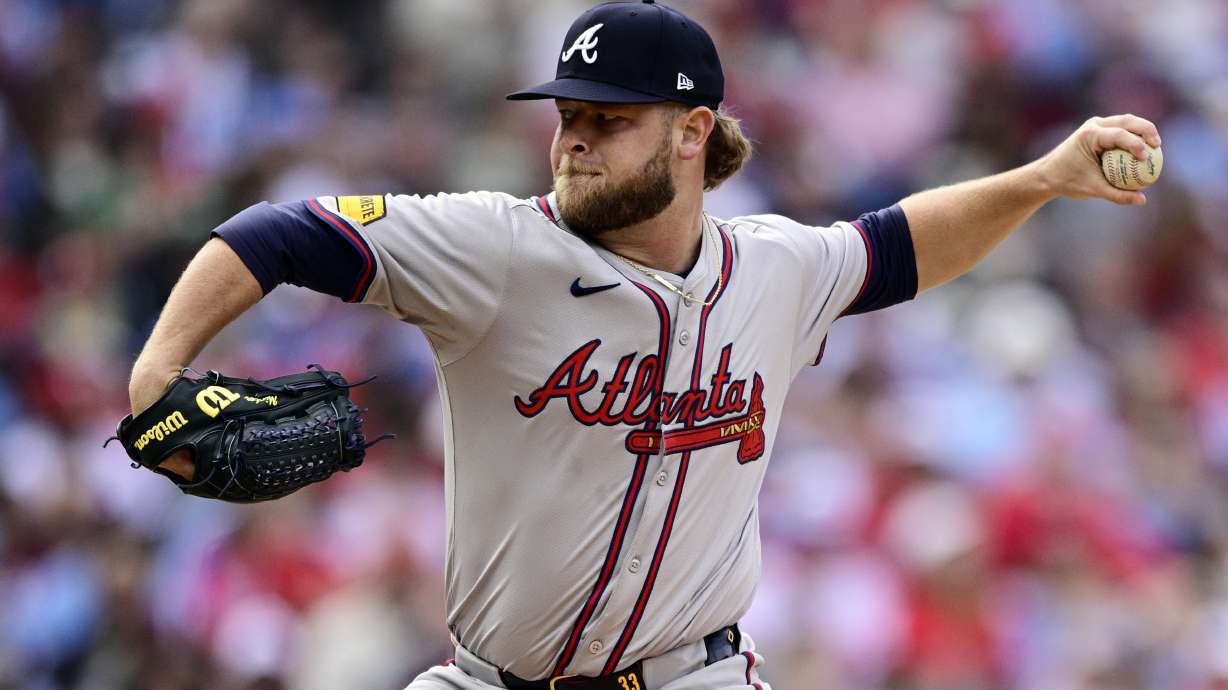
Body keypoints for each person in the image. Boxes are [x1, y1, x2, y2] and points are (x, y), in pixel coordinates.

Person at [124, 1, 1161, 688]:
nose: (572, 138)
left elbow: (896, 246)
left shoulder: (773, 268)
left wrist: (1039, 178)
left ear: (690, 130)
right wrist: (155, 374)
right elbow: (274, 234)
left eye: (606, 119)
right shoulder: (493, 248)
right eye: (567, 115)